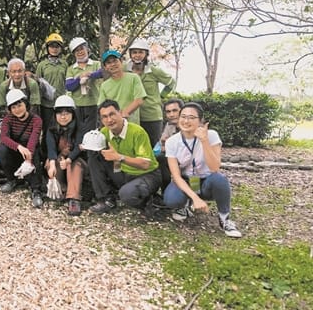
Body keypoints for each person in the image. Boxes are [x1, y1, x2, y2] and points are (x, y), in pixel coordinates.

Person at [163, 102, 242, 238]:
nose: (186, 121)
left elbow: (215, 167)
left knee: (219, 179)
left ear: (200, 121)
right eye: (183, 116)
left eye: (191, 117)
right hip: (187, 180)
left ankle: (225, 218)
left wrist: (204, 140)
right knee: (171, 200)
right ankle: (186, 204)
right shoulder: (172, 142)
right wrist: (195, 198)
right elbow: (176, 176)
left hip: (206, 181)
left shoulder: (211, 135)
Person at [87, 100, 162, 215]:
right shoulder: (104, 132)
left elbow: (145, 164)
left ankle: (149, 201)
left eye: (112, 114)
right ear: (101, 120)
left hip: (146, 174)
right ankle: (106, 200)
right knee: (94, 157)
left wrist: (119, 157)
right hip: (123, 172)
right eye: (105, 117)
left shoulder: (137, 132)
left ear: (120, 113)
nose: (109, 120)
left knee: (127, 194)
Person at [125, 38, 176, 147]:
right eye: (134, 52)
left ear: (146, 54)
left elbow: (171, 83)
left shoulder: (154, 70)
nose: (137, 55)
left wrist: (161, 97)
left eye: (140, 52)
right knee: (134, 147)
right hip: (131, 116)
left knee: (153, 147)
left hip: (151, 116)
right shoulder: (125, 69)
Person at [0, 89, 44, 208]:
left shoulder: (36, 120)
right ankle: (12, 180)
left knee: (35, 152)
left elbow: (34, 139)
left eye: (19, 105)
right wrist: (18, 147)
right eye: (13, 107)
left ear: (26, 104)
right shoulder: (8, 119)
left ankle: (36, 190)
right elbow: (3, 137)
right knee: (2, 148)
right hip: (16, 150)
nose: (17, 109)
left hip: (30, 150)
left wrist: (28, 157)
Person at [45, 95, 88, 216]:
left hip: (78, 161)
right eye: (60, 113)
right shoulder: (51, 129)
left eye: (67, 113)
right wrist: (52, 164)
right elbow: (51, 148)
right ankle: (61, 190)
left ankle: (74, 199)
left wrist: (69, 159)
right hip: (60, 158)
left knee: (74, 164)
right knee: (51, 162)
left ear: (73, 114)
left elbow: (79, 147)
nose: (63, 117)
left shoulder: (80, 127)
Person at [65, 37, 103, 137]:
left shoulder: (96, 64)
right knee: (78, 131)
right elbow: (69, 86)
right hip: (77, 105)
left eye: (82, 49)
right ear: (74, 54)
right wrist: (79, 78)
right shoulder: (71, 69)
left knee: (92, 131)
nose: (80, 52)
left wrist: (90, 74)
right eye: (76, 51)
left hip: (94, 103)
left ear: (87, 49)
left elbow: (101, 73)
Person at [98, 49, 146, 125]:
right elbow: (102, 107)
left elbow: (139, 100)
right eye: (109, 63)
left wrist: (123, 114)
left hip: (131, 124)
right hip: (113, 124)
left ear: (121, 61)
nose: (113, 64)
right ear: (105, 67)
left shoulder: (134, 78)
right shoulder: (104, 85)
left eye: (115, 61)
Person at [35, 33, 68, 128]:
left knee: (61, 128)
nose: (54, 49)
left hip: (61, 102)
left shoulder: (64, 64)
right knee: (47, 128)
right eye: (52, 46)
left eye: (57, 46)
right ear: (48, 48)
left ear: (61, 49)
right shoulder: (42, 65)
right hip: (46, 104)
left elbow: (67, 83)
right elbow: (37, 84)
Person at [157, 98, 184, 193]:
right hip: (175, 158)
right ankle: (165, 191)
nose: (171, 115)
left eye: (175, 110)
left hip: (193, 163)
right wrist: (165, 144)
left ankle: (196, 194)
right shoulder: (169, 126)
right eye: (168, 112)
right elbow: (161, 146)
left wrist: (169, 145)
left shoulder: (190, 124)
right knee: (160, 158)